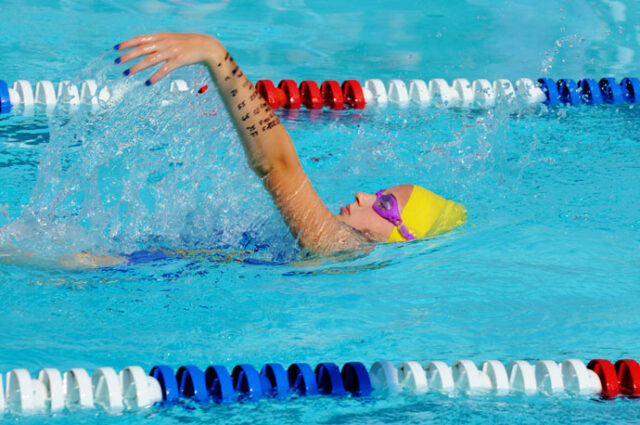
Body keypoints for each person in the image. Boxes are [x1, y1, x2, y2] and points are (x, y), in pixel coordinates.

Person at [112, 32, 467, 256]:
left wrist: (215, 56)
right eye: (379, 192)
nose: (364, 196)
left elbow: (276, 165)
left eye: (384, 203)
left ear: (401, 235)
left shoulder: (340, 249)